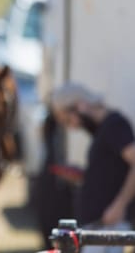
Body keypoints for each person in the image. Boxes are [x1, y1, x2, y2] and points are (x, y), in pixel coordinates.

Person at [50, 82, 135, 253]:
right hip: (98, 226)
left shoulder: (115, 125)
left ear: (80, 105)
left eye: (68, 119)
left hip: (109, 228)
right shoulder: (102, 129)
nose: (72, 127)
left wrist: (119, 205)